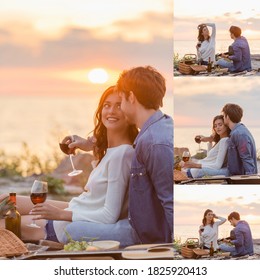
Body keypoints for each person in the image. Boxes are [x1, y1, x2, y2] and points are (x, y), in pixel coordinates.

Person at [0, 86, 139, 244]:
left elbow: (109, 216)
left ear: (130, 112)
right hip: (76, 208)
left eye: (119, 105)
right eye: (107, 105)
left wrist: (59, 214)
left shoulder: (121, 155)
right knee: (6, 200)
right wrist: (88, 144)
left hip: (63, 223)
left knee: (4, 223)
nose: (111, 111)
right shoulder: (112, 151)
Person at [63, 66, 174, 245]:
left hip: (146, 233)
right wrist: (92, 144)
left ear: (130, 97)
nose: (119, 107)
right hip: (137, 221)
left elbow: (171, 202)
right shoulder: (155, 129)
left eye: (120, 100)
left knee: (71, 231)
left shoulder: (153, 142)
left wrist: (171, 251)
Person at [222, 103, 257, 175]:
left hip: (241, 178)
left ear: (227, 116)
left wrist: (251, 179)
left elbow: (246, 158)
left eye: (223, 116)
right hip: (235, 176)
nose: (223, 118)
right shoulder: (237, 131)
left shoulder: (239, 134)